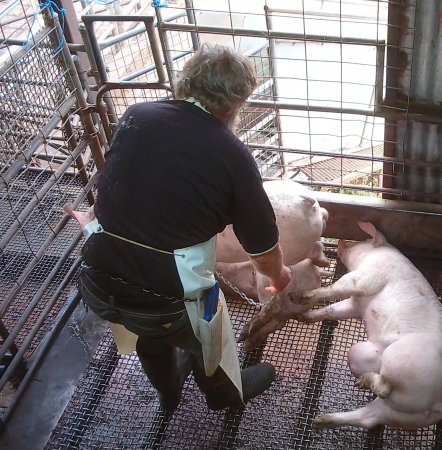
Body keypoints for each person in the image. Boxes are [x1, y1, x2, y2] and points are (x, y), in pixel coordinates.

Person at [72, 43, 292, 412]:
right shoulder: (232, 154)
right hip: (167, 300)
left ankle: (168, 387)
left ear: (184, 83)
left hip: (96, 279)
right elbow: (262, 245)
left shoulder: (137, 115)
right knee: (206, 318)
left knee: (147, 329)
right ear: (235, 104)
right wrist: (279, 276)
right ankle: (224, 391)